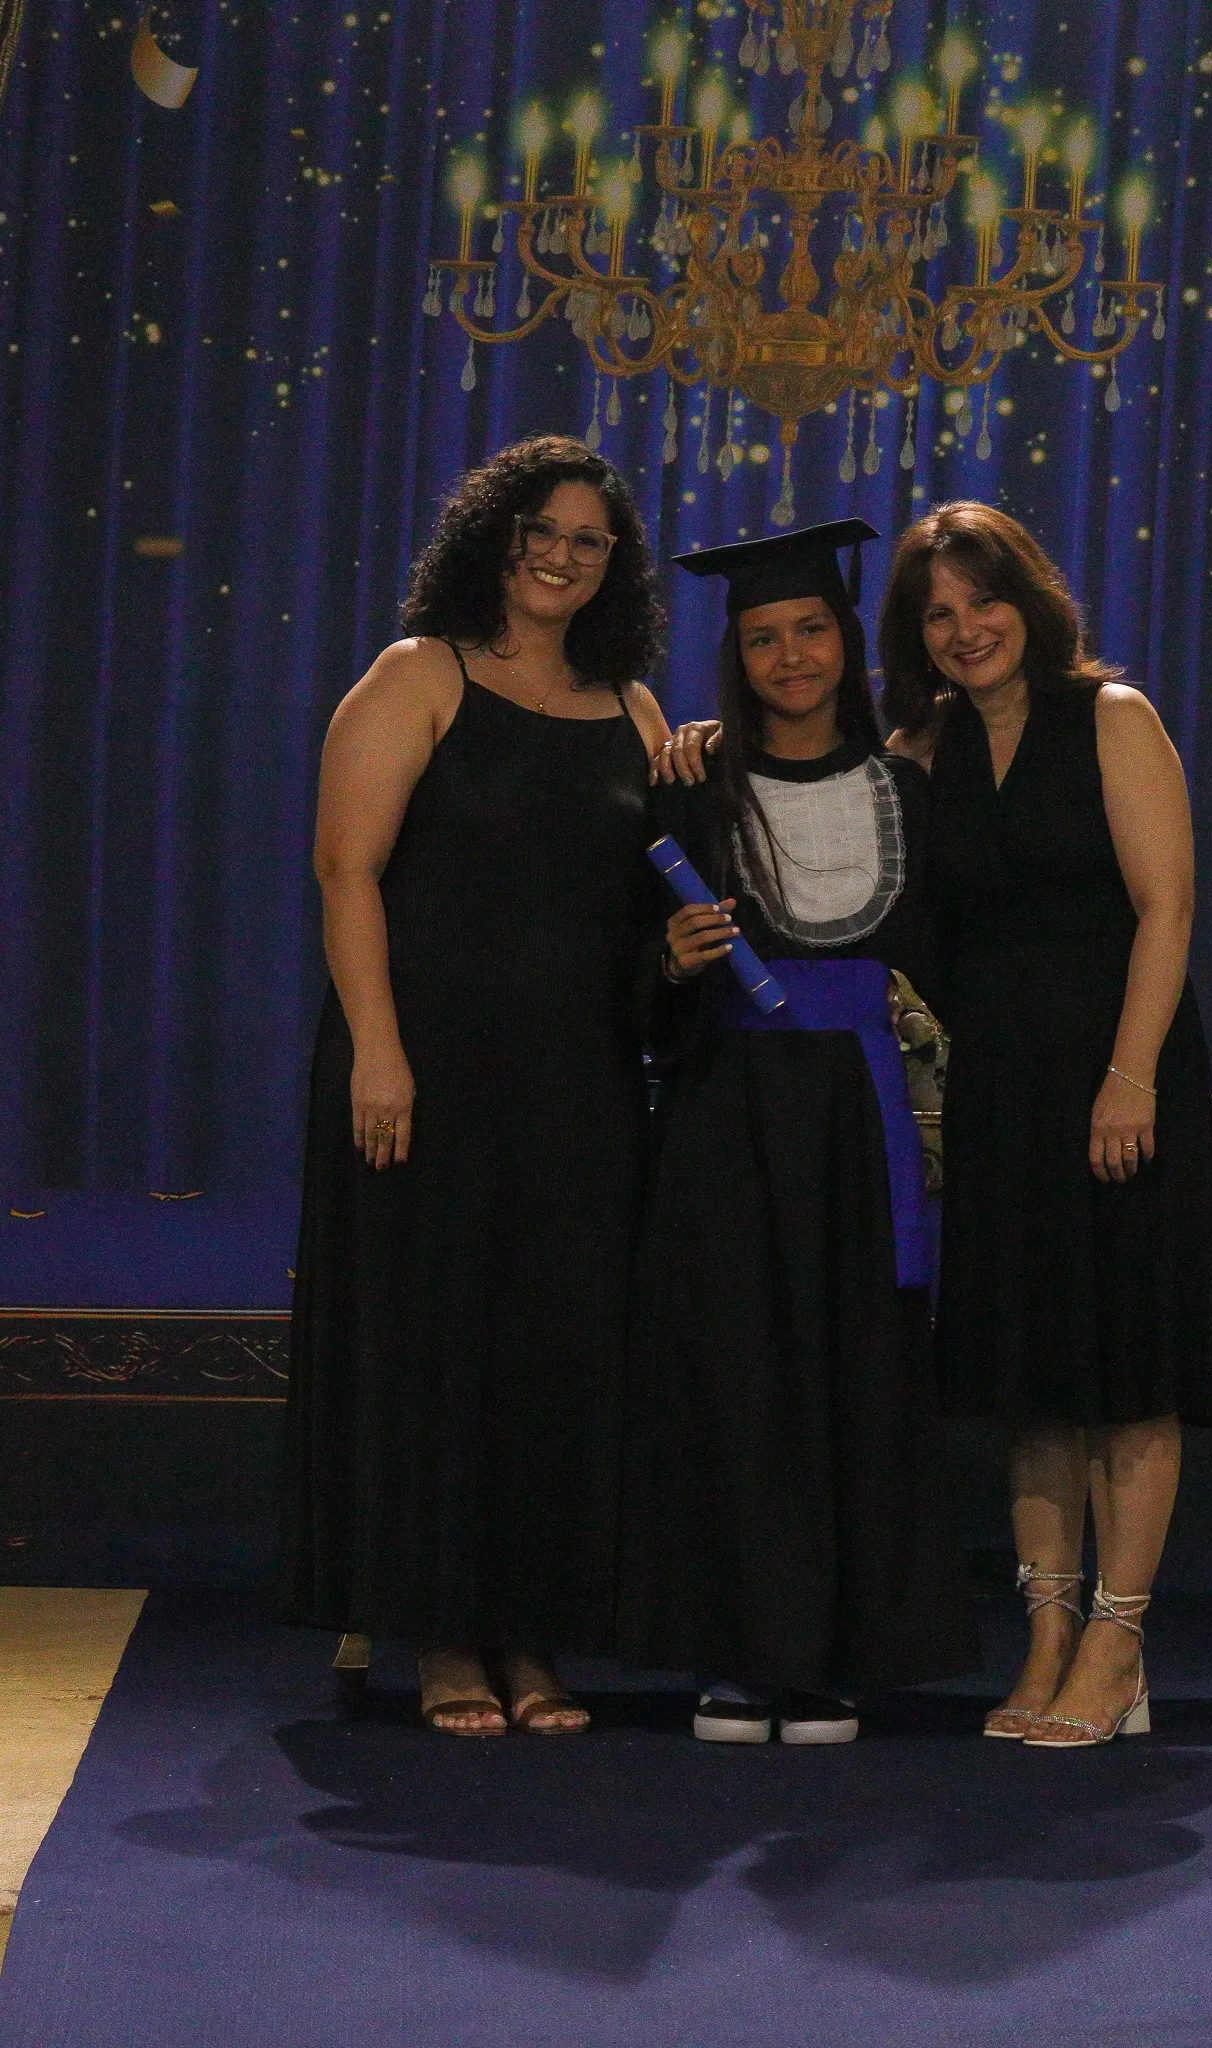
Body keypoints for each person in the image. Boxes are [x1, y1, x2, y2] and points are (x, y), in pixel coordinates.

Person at [281, 434, 670, 1736]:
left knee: (556, 1356)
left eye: (586, 540)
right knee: (433, 1352)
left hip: (577, 1086)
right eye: (538, 531)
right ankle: (443, 1637)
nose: (560, 556)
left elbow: (648, 894)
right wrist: (379, 1051)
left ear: (613, 564)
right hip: (424, 1071)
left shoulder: (632, 705)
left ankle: (531, 1637)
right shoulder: (417, 674)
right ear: (493, 538)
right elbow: (345, 871)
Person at [876, 500, 1212, 1747]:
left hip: (1117, 1077)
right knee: (1031, 1379)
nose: (964, 628)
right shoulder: (920, 749)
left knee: (1126, 1370)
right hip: (1001, 1095)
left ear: (1028, 600)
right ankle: (1044, 1634)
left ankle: (1116, 1642)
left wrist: (1128, 1076)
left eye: (982, 600)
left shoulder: (1111, 717)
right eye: (937, 612)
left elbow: (1166, 906)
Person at [620, 520, 976, 1744]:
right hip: (728, 1109)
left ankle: (834, 1657)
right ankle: (738, 1653)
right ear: (737, 654)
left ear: (845, 641)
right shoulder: (687, 785)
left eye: (810, 630)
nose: (789, 657)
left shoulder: (909, 790)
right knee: (736, 1372)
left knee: (856, 1374)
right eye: (763, 637)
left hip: (862, 1118)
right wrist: (669, 961)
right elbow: (624, 957)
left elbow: (942, 965)